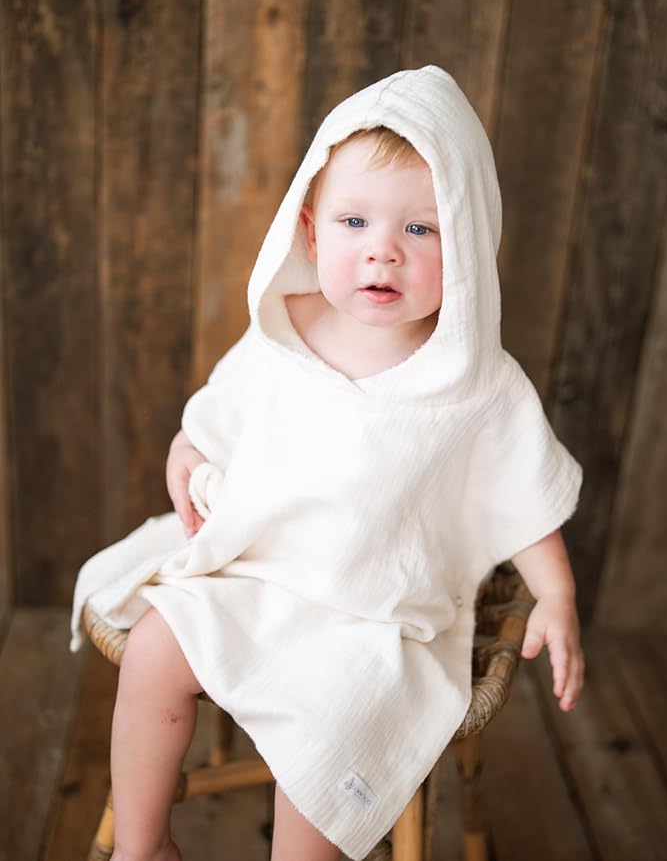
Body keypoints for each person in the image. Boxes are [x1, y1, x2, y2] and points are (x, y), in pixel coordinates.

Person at [70, 65, 584, 861]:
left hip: (373, 620)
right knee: (155, 647)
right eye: (354, 221)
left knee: (328, 739)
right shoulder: (286, 328)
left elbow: (524, 498)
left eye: (421, 230)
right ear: (310, 233)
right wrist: (188, 449)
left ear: (469, 245)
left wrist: (555, 593)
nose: (383, 251)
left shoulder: (475, 381)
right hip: (258, 576)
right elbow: (218, 416)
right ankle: (144, 846)